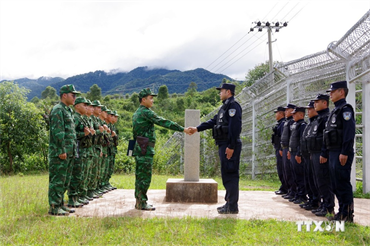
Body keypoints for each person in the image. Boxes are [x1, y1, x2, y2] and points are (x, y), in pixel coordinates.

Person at [132, 88, 191, 210]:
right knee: (145, 177)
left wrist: (131, 151)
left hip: (139, 148)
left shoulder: (136, 113)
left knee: (139, 176)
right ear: (144, 100)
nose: (152, 100)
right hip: (145, 149)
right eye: (150, 98)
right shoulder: (146, 112)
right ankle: (141, 202)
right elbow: (163, 122)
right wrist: (183, 129)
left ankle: (139, 201)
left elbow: (134, 134)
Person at [189, 83, 242, 214]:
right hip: (223, 144)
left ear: (228, 92)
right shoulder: (224, 107)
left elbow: (235, 127)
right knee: (226, 174)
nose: (219, 93)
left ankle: (232, 206)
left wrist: (231, 146)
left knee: (230, 174)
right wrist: (197, 128)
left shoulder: (233, 106)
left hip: (229, 145)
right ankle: (229, 203)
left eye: (221, 91)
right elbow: (213, 121)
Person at [324, 81, 355, 222]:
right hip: (333, 152)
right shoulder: (335, 111)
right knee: (335, 184)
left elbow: (349, 132)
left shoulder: (345, 109)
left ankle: (347, 214)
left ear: (341, 92)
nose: (330, 94)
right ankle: (341, 212)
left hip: (341, 152)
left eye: (333, 91)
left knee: (342, 182)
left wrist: (345, 151)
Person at [48, 84, 80, 216]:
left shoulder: (69, 110)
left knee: (65, 180)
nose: (75, 98)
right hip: (60, 152)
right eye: (73, 95)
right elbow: (58, 132)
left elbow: (71, 133)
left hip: (70, 151)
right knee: (58, 180)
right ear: (64, 95)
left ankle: (61, 204)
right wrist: (61, 150)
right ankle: (54, 206)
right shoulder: (57, 110)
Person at [310, 94, 334, 217]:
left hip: (322, 153)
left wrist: (324, 152)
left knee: (324, 180)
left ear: (325, 103)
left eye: (317, 102)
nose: (315, 104)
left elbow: (325, 138)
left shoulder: (326, 118)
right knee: (318, 180)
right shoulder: (319, 118)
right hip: (315, 153)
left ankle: (329, 206)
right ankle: (323, 205)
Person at [68, 97, 91, 208]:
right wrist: (84, 134)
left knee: (81, 174)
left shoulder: (81, 118)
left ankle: (78, 196)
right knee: (76, 174)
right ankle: (72, 198)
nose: (86, 107)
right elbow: (72, 135)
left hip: (83, 149)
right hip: (77, 148)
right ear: (77, 106)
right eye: (84, 105)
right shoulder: (76, 118)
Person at [300, 101, 320, 211]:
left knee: (316, 180)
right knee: (309, 179)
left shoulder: (317, 122)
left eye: (310, 109)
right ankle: (312, 200)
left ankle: (319, 202)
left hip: (314, 155)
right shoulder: (310, 124)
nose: (308, 111)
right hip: (307, 155)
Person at [288, 106, 307, 205]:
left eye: (295, 114)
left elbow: (301, 141)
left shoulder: (302, 125)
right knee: (295, 175)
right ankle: (297, 194)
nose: (293, 115)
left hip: (297, 154)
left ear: (301, 114)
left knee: (300, 176)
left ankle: (302, 195)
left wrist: (299, 153)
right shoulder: (295, 124)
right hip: (293, 152)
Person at [280, 103, 297, 201]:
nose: (285, 112)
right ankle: (290, 190)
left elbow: (292, 138)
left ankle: (293, 191)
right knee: (286, 170)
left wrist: (289, 149)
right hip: (285, 148)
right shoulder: (287, 122)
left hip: (290, 149)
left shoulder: (292, 122)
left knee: (291, 171)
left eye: (287, 110)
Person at [272, 106, 288, 195]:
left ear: (281, 113)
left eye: (277, 113)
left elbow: (283, 137)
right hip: (278, 148)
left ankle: (285, 187)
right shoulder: (280, 124)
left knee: (282, 169)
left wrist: (281, 148)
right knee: (280, 168)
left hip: (281, 149)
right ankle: (284, 186)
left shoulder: (283, 124)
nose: (276, 115)